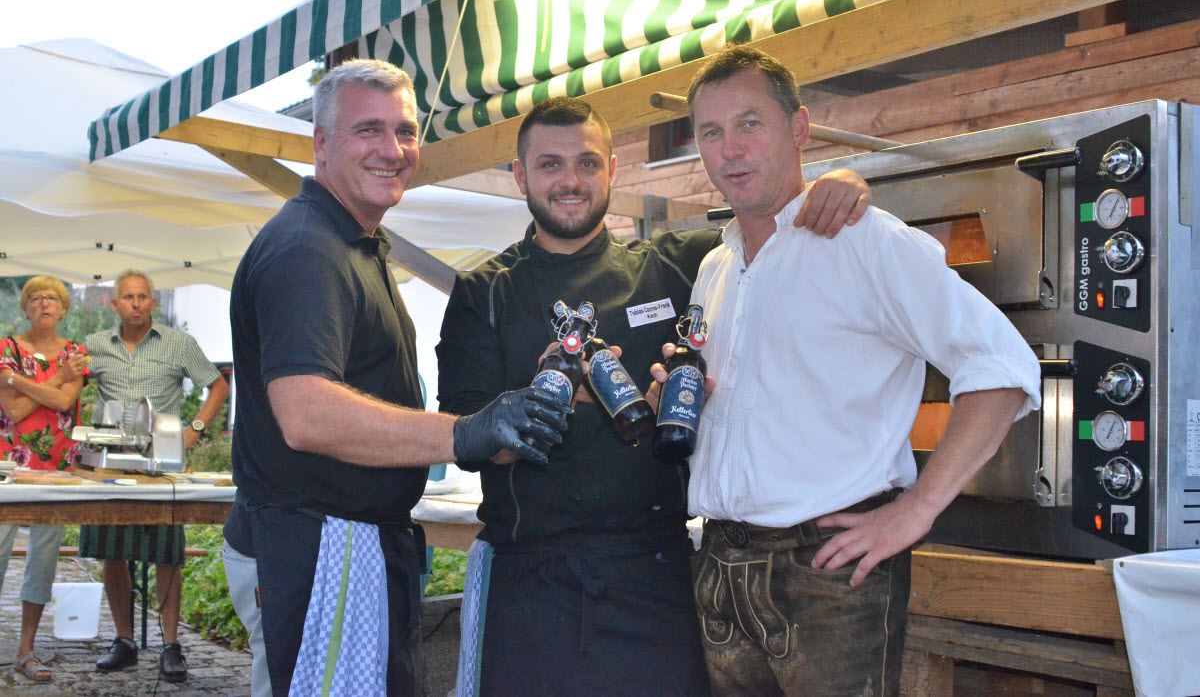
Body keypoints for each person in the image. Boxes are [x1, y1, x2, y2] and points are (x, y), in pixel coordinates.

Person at [436, 96, 870, 696]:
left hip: (657, 575)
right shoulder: (484, 293)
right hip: (531, 578)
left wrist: (835, 184)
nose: (571, 181)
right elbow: (467, 442)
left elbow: (771, 230)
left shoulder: (677, 266)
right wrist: (545, 403)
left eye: (588, 163)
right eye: (550, 164)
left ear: (613, 169)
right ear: (520, 175)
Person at [663, 43, 1042, 697]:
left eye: (750, 124)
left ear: (799, 129)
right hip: (721, 565)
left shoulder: (864, 239)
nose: (730, 150)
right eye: (711, 133)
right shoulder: (715, 266)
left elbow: (1002, 366)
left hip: (828, 571)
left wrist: (917, 509)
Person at [223, 58, 570, 697]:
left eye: (406, 131)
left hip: (346, 542)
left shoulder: (352, 240)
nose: (393, 150)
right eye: (369, 130)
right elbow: (306, 413)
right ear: (321, 143)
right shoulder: (307, 249)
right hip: (316, 546)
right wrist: (465, 433)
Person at [80, 268, 229, 683]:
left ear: (154, 301)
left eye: (142, 296)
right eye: (128, 297)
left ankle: (170, 645)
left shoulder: (179, 343)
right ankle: (124, 642)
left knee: (166, 553)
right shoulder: (93, 346)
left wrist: (193, 431)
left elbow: (218, 385)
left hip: (161, 465)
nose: (136, 304)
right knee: (112, 551)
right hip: (111, 465)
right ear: (114, 304)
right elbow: (70, 387)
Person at [0, 276, 88, 683]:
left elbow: (65, 400)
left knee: (43, 560)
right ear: (25, 308)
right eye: (35, 298)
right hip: (8, 468)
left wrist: (19, 381)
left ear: (64, 308)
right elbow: (14, 412)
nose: (44, 304)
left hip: (57, 471)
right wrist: (55, 378)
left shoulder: (75, 353)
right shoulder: (7, 348)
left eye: (52, 298)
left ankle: (26, 651)